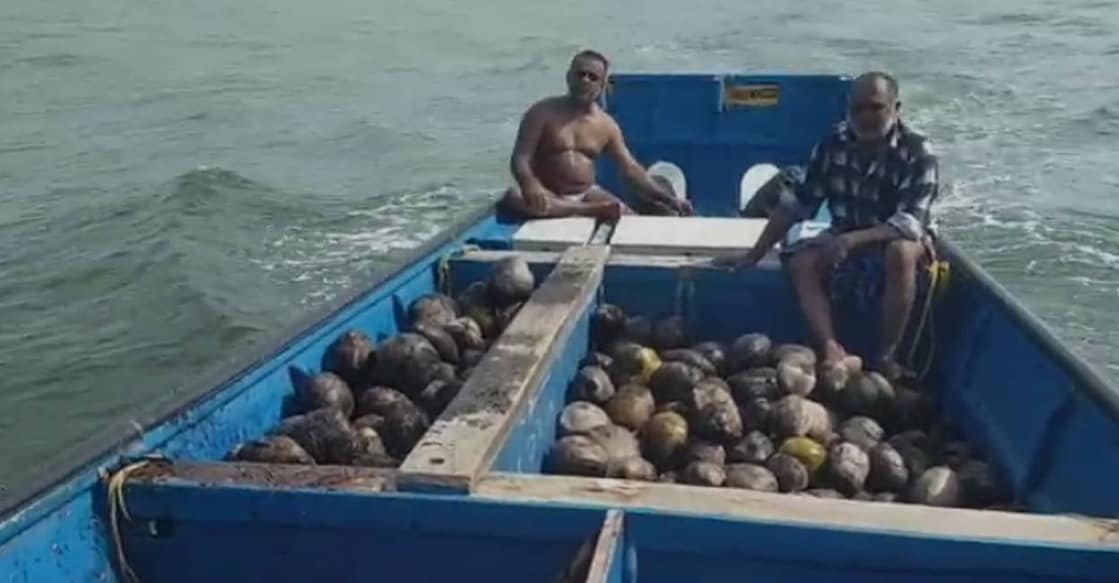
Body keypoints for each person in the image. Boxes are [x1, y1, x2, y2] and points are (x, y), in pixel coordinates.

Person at [720, 71, 939, 382]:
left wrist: (851, 241)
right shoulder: (833, 143)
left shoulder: (917, 151)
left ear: (896, 107)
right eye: (857, 109)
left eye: (875, 108)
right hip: (844, 233)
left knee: (901, 253)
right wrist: (753, 256)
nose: (865, 117)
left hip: (897, 240)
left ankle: (888, 356)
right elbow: (797, 204)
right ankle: (831, 348)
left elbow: (910, 223)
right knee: (801, 263)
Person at [500, 50, 693, 220]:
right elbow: (520, 158)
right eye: (580, 74)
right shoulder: (542, 112)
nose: (585, 80)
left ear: (602, 85)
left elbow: (630, 171)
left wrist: (670, 200)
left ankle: (586, 209)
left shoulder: (606, 125)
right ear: (569, 77)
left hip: (587, 194)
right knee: (514, 196)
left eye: (592, 77)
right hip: (547, 194)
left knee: (629, 219)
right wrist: (530, 183)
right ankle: (587, 211)